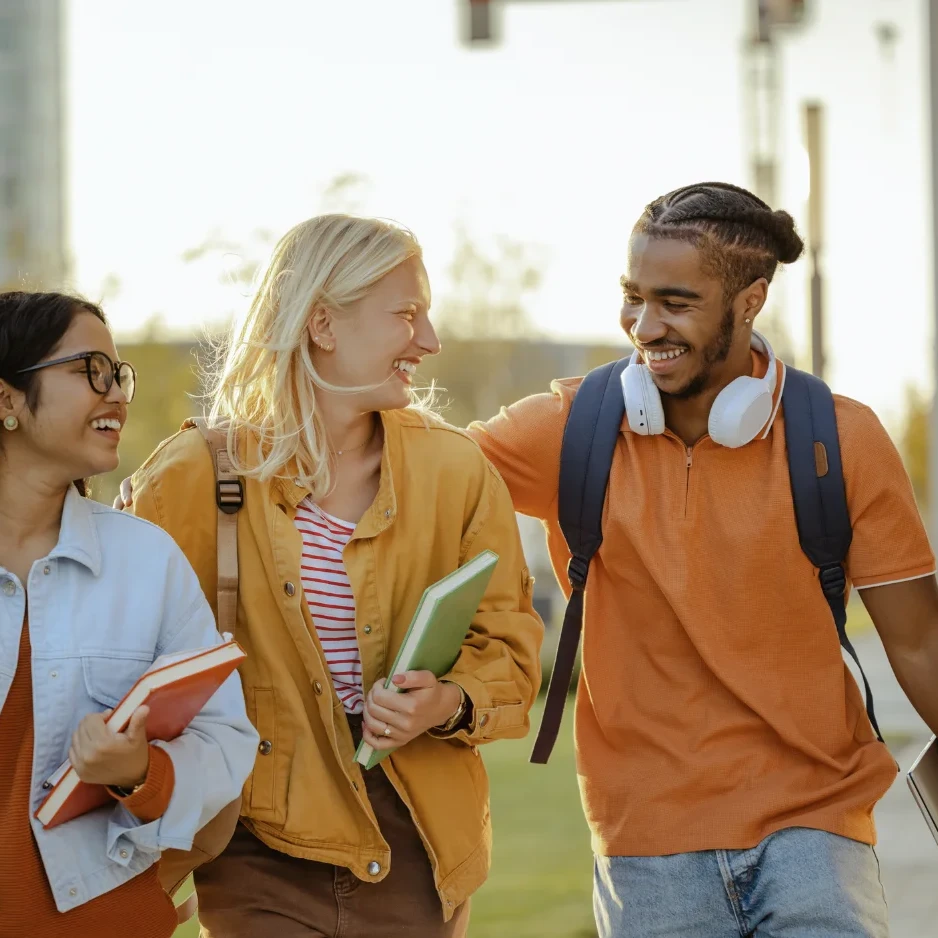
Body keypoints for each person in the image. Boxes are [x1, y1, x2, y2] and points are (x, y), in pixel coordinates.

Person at [468, 182, 938, 938]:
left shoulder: (842, 440)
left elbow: (918, 639)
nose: (644, 326)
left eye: (675, 303)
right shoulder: (571, 428)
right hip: (646, 841)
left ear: (749, 302)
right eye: (633, 297)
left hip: (816, 823)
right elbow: (415, 471)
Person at [119, 214, 542, 937]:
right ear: (322, 323)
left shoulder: (457, 471)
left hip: (414, 844)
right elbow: (124, 661)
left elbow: (510, 654)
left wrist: (441, 701)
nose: (430, 341)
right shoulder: (193, 477)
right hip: (254, 843)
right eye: (406, 315)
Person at [0, 290, 257, 938]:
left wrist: (145, 772)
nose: (115, 393)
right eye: (90, 371)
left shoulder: (147, 560)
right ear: (7, 401)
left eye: (119, 375)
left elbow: (227, 745)